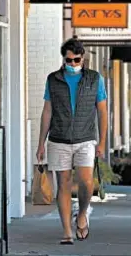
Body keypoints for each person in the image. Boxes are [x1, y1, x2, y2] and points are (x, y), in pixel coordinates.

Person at [36, 38, 108, 244]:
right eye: (69, 61)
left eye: (77, 60)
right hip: (58, 139)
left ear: (83, 58)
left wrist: (102, 142)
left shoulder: (95, 79)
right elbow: (47, 111)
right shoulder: (53, 79)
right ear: (64, 59)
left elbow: (102, 112)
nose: (73, 64)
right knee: (63, 185)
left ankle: (83, 213)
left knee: (86, 182)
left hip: (85, 138)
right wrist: (41, 143)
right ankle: (67, 231)